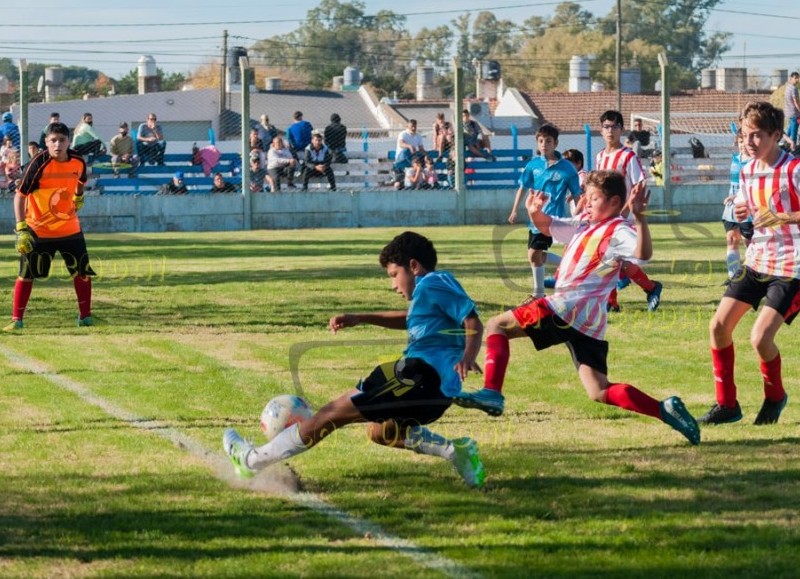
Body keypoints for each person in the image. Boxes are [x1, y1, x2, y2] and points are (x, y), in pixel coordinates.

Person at [222, 231, 487, 488]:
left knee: (330, 414)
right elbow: (409, 320)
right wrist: (361, 317)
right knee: (380, 432)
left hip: (416, 376)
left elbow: (472, 318)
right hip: (439, 395)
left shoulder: (435, 282)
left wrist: (468, 356)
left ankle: (252, 461)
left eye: (395, 275)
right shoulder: (428, 295)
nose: (393, 285)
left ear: (414, 266)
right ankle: (456, 451)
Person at [454, 171, 701, 446]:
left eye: (593, 197)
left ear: (614, 202)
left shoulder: (619, 229)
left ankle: (492, 392)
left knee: (496, 325)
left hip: (568, 307)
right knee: (599, 390)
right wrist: (534, 212)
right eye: (586, 195)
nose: (586, 201)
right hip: (590, 321)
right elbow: (549, 226)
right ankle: (665, 410)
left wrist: (640, 218)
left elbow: (642, 254)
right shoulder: (586, 224)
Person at [700, 100, 800, 427]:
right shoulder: (747, 169)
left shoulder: (794, 169)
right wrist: (743, 211)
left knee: (760, 338)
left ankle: (775, 397)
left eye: (757, 135)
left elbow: (780, 213)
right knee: (717, 327)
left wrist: (783, 216)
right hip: (756, 261)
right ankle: (726, 405)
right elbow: (751, 209)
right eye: (746, 135)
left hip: (791, 268)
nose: (750, 142)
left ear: (776, 135)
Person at [3, 122, 95, 331]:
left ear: (68, 141)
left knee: (82, 272)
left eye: (62, 140)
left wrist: (79, 196)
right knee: (27, 274)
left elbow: (81, 180)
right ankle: (17, 319)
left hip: (69, 228)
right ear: (46, 142)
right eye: (53, 140)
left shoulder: (78, 161)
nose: (57, 144)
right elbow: (19, 197)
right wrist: (22, 228)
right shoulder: (38, 163)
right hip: (39, 230)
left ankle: (86, 317)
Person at [596, 110, 663, 313]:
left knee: (616, 260)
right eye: (606, 127)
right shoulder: (600, 157)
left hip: (622, 218)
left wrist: (626, 211)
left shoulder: (627, 156)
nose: (610, 131)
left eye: (614, 126)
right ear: (601, 130)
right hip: (604, 217)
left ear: (622, 129)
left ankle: (647, 289)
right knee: (609, 261)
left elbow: (639, 185)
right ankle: (617, 299)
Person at [508, 124, 581, 298]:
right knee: (535, 256)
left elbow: (577, 194)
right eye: (541, 141)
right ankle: (567, 264)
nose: (544, 144)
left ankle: (538, 294)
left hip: (551, 219)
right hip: (534, 219)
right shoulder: (533, 165)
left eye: (548, 141)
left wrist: (579, 216)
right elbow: (522, 187)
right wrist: (514, 210)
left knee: (534, 253)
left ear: (555, 143)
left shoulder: (567, 169)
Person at [722, 129, 753, 283]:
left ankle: (752, 274)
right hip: (731, 208)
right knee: (732, 238)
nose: (742, 145)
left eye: (744, 142)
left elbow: (753, 185)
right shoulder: (735, 159)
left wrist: (737, 196)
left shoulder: (755, 162)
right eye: (740, 142)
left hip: (746, 206)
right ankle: (733, 275)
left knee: (749, 242)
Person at [393, 119, 425, 186]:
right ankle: (415, 168)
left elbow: (421, 149)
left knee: (421, 155)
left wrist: (426, 155)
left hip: (412, 159)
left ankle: (421, 175)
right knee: (406, 150)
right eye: (412, 126)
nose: (413, 128)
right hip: (402, 158)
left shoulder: (418, 136)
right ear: (407, 126)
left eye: (415, 126)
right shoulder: (403, 134)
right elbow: (401, 144)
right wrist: (409, 146)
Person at [784, 72, 800, 152]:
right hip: (794, 113)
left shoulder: (787, 87)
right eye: (795, 78)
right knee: (794, 132)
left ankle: (785, 145)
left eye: (798, 78)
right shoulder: (794, 88)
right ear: (791, 78)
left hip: (788, 112)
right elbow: (796, 101)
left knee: (789, 130)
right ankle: (792, 150)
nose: (797, 80)